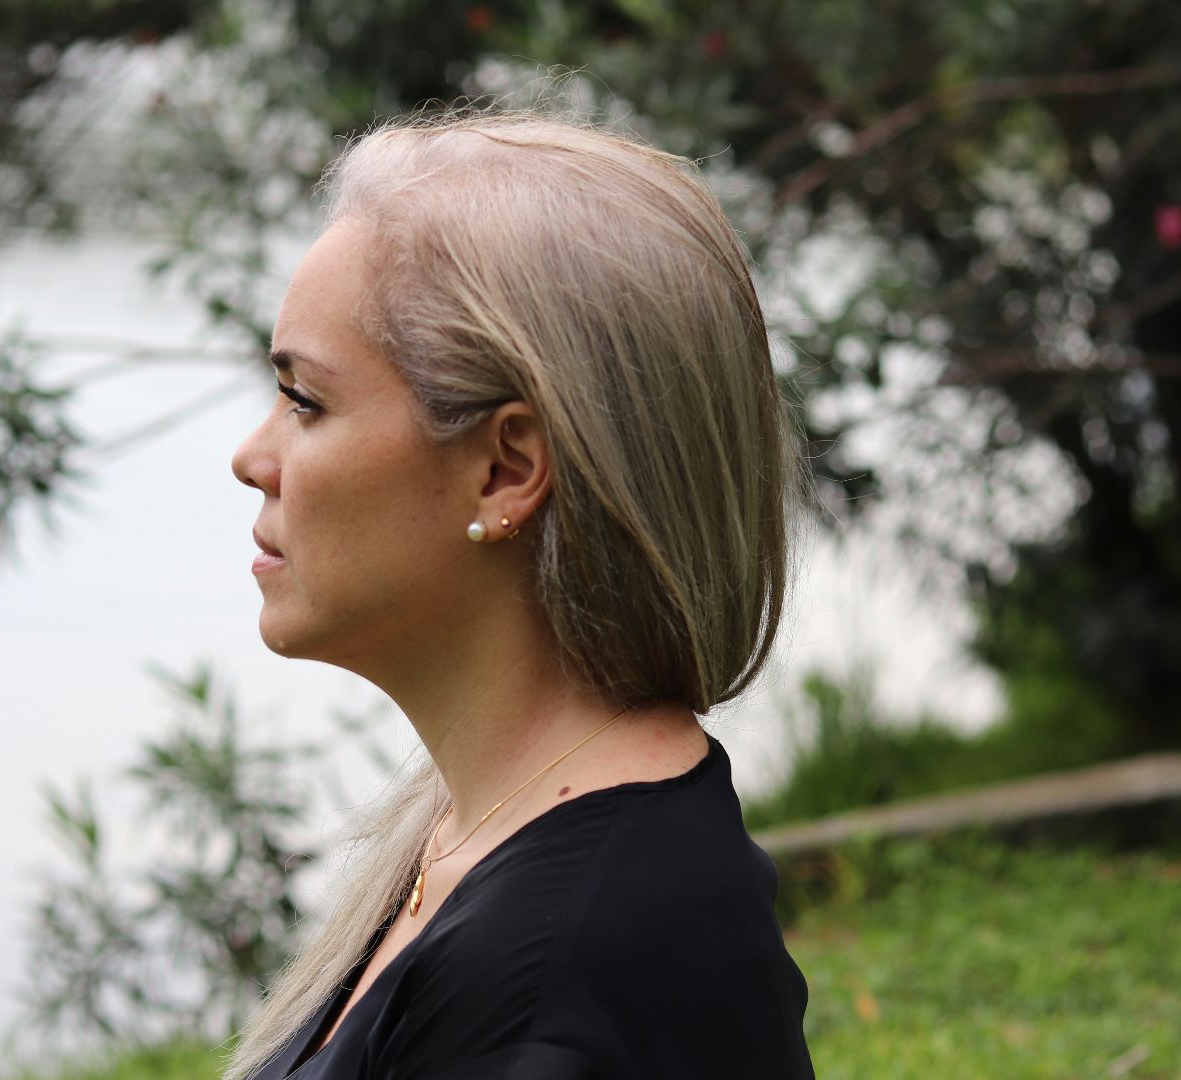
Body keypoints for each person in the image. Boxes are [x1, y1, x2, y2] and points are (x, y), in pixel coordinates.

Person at [227, 110, 816, 1079]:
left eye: (306, 402)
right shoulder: (490, 844)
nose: (252, 457)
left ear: (505, 470)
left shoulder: (554, 986)